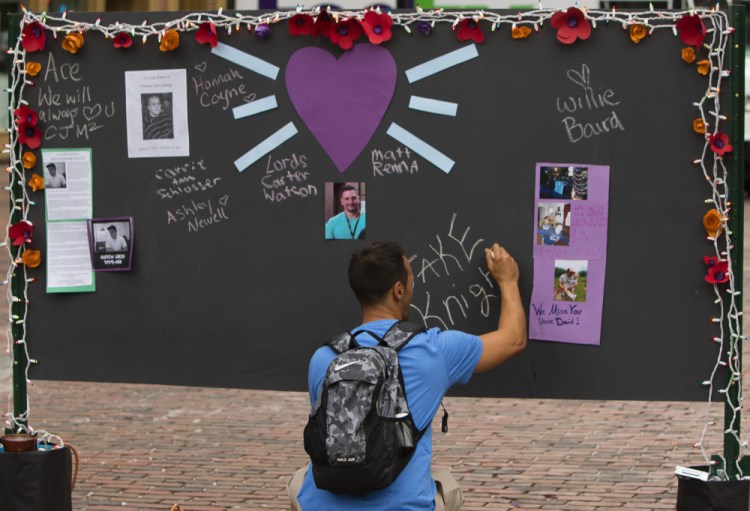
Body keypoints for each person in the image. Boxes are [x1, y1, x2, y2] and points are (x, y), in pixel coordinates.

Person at [288, 241, 526, 510]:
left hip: (320, 504)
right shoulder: (434, 350)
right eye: (412, 281)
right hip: (402, 506)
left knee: (299, 480)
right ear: (398, 290)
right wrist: (508, 280)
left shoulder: (324, 358)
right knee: (448, 488)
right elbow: (513, 340)